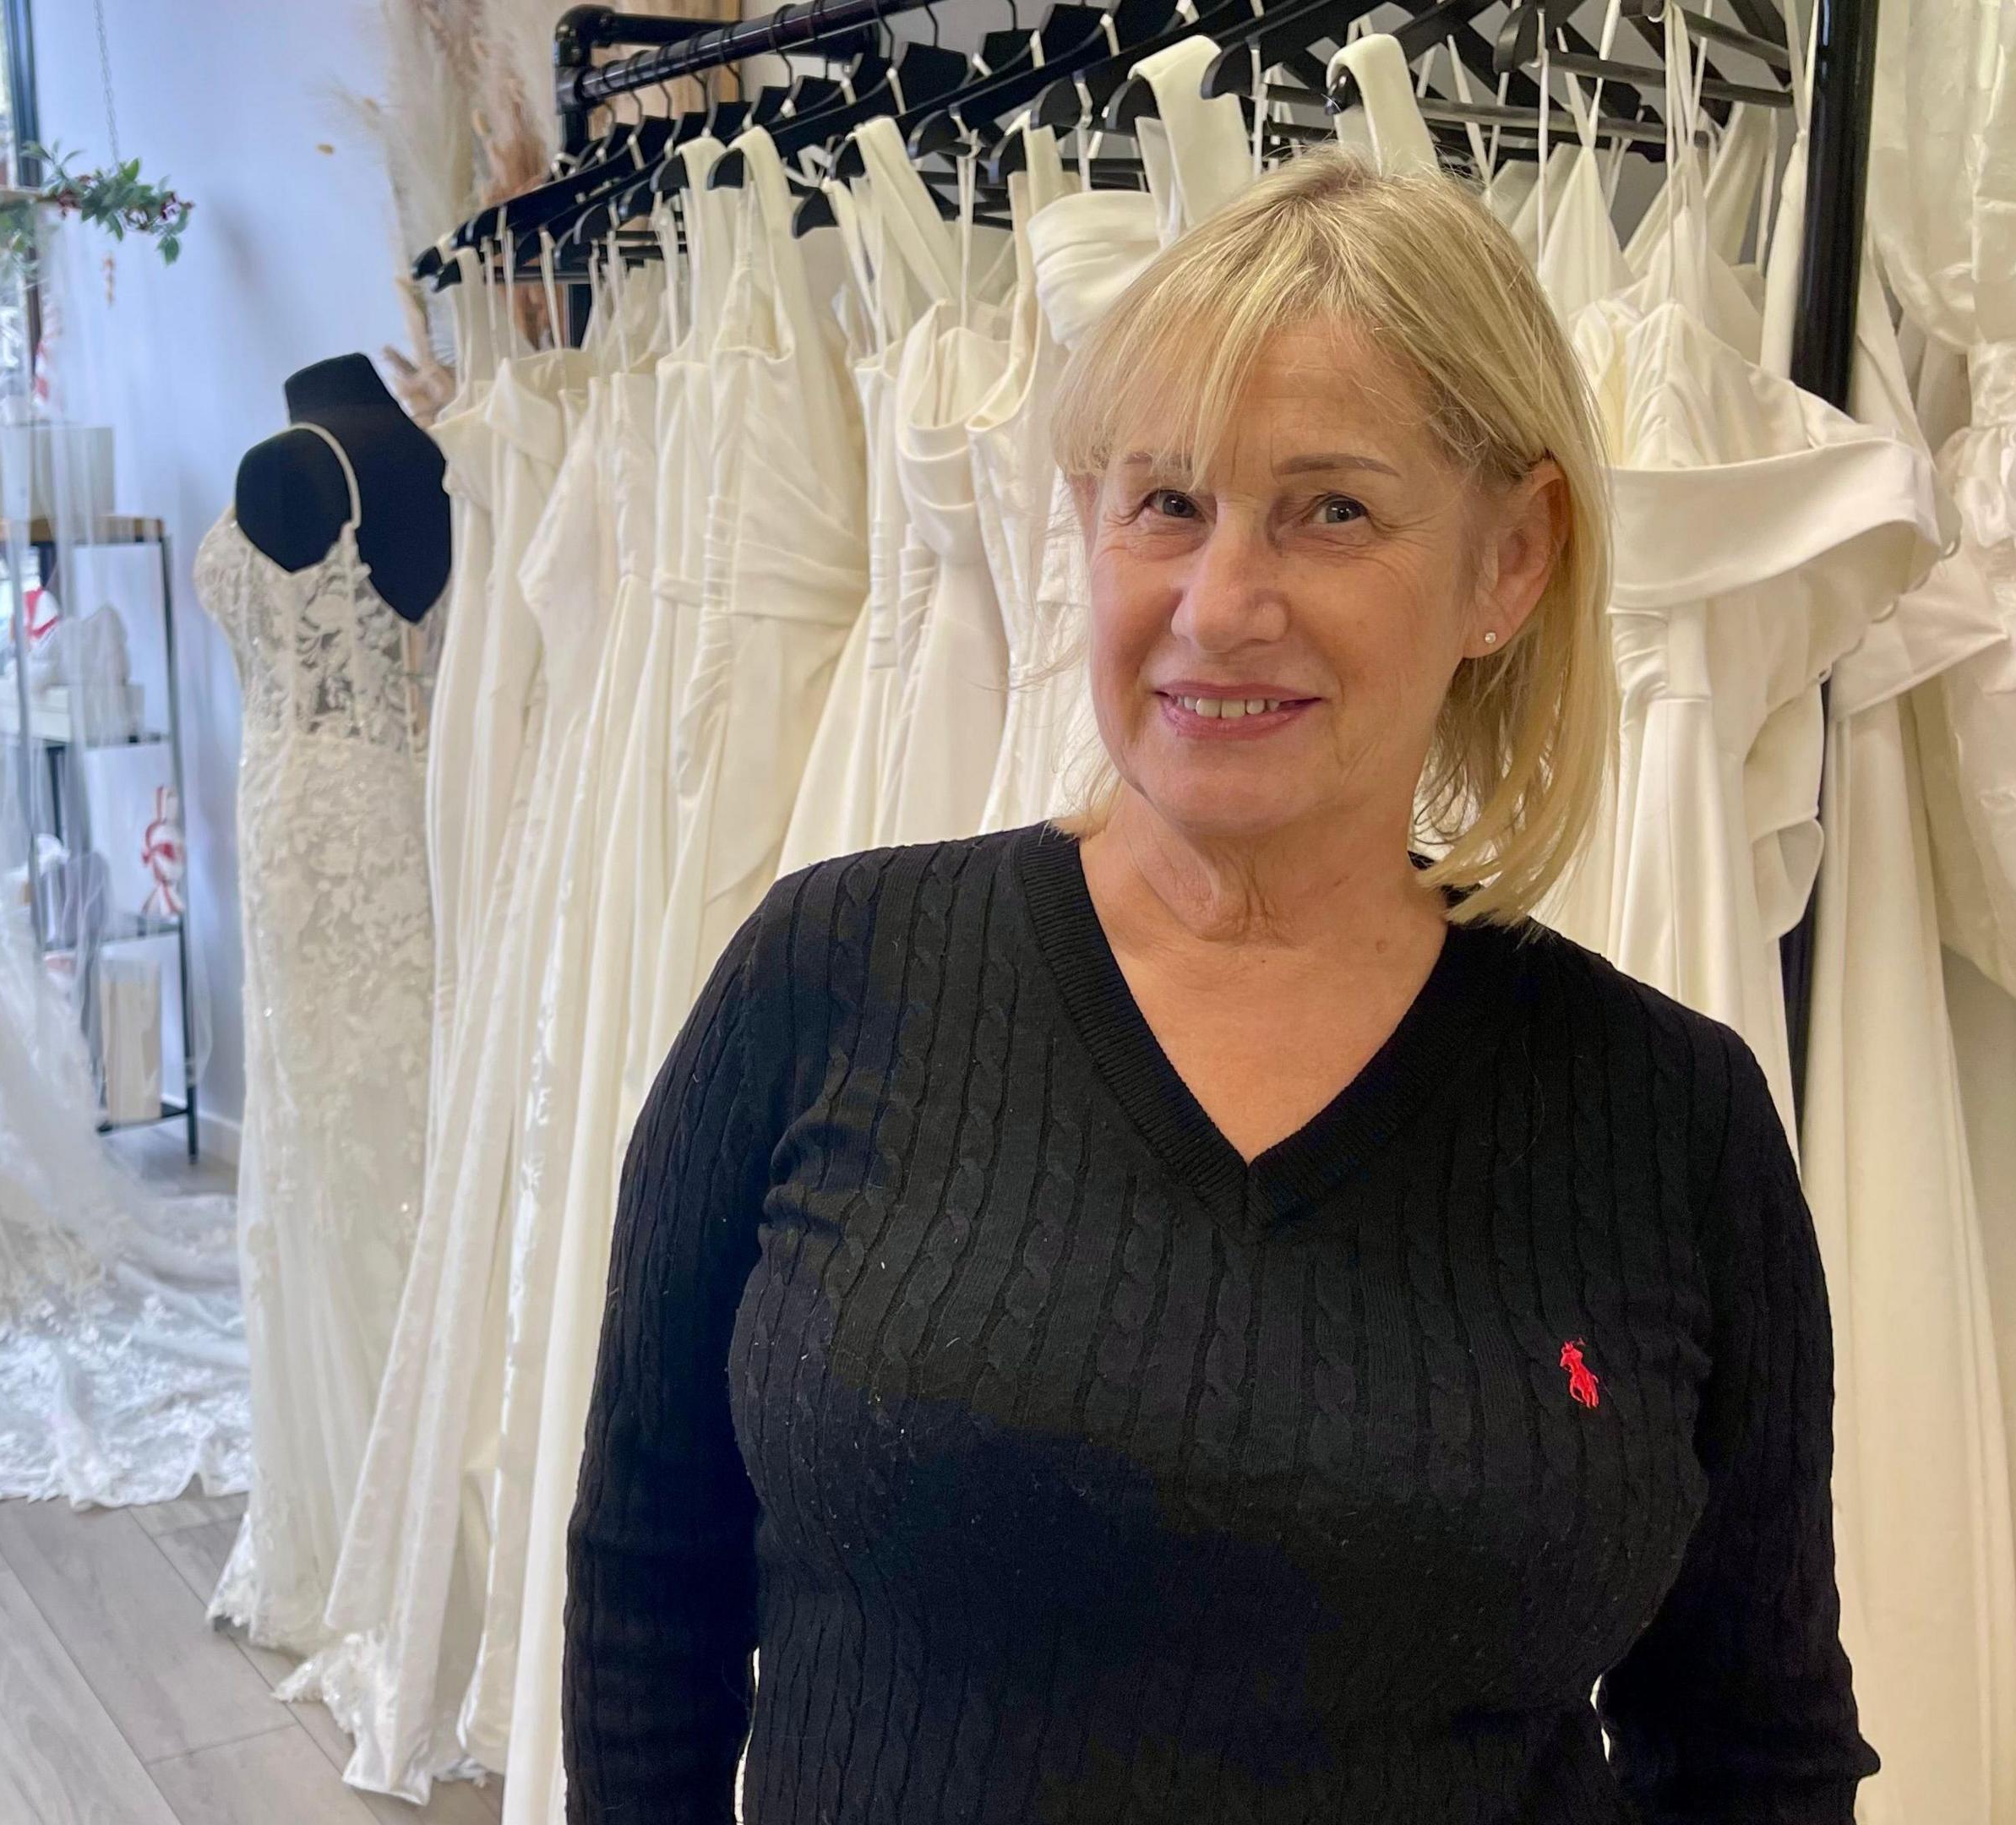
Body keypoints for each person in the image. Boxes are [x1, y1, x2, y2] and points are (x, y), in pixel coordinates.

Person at [561, 155, 1871, 1822]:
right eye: (1168, 503)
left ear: (1510, 558)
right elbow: (649, 1589)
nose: (1222, 606)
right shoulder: (830, 977)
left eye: (1333, 511)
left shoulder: (1666, 1117)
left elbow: (1756, 1746)